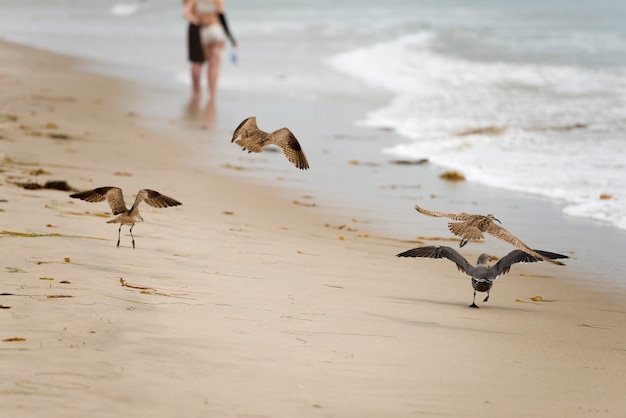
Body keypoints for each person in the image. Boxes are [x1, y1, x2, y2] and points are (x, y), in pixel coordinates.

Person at [183, 0, 237, 100]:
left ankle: (198, 93)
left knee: (207, 63)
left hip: (203, 32)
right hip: (216, 30)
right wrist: (231, 38)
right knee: (214, 65)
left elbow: (186, 13)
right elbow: (222, 17)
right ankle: (212, 95)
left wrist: (198, 21)